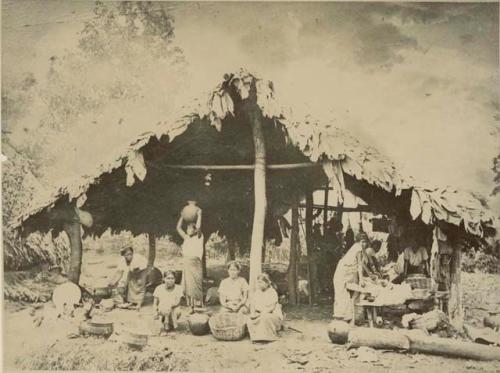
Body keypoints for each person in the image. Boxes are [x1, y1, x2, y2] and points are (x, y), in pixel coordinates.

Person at [332, 232, 370, 322]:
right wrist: (361, 280)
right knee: (341, 295)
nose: (364, 244)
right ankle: (340, 317)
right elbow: (360, 265)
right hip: (342, 272)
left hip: (347, 272)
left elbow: (361, 264)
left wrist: (368, 274)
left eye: (365, 242)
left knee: (346, 295)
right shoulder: (358, 248)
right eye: (363, 242)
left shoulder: (358, 248)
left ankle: (347, 317)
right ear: (359, 242)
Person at [177, 207, 204, 312]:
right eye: (187, 229)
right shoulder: (186, 238)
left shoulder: (199, 237)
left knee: (196, 284)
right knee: (188, 285)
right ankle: (191, 307)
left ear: (195, 230)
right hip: (187, 262)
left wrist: (199, 215)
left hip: (196, 263)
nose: (188, 230)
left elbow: (199, 226)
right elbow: (178, 228)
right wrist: (182, 216)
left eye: (190, 229)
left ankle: (198, 305)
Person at [247, 273, 283, 343]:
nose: (259, 284)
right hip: (259, 314)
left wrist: (259, 315)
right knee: (249, 320)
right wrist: (253, 314)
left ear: (267, 283)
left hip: (272, 315)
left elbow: (271, 308)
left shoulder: (272, 292)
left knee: (264, 317)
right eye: (258, 282)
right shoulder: (257, 292)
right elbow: (253, 305)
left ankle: (268, 337)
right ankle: (256, 337)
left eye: (261, 282)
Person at [109, 246, 148, 310]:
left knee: (140, 285)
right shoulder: (122, 261)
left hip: (142, 271)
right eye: (127, 255)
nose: (129, 256)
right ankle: (132, 301)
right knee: (131, 285)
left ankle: (139, 303)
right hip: (132, 271)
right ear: (124, 255)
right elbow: (120, 272)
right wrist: (114, 281)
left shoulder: (138, 258)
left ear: (132, 253)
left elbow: (141, 268)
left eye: (130, 254)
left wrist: (138, 278)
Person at [153, 270, 184, 335]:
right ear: (164, 279)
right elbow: (155, 303)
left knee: (176, 311)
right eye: (168, 278)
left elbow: (178, 302)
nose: (170, 280)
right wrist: (155, 312)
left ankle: (171, 326)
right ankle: (165, 325)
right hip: (162, 309)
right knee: (165, 309)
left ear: (175, 279)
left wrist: (170, 305)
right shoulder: (159, 288)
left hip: (174, 308)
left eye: (172, 278)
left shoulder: (178, 288)